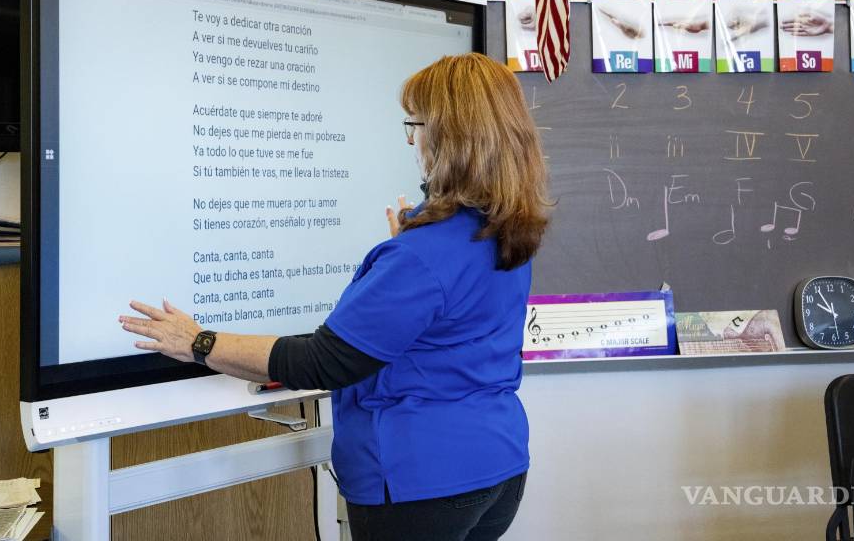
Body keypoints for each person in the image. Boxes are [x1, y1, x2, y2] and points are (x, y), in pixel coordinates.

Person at [119, 52, 552, 541]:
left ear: (447, 138)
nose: (413, 141)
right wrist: (411, 242)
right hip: (498, 467)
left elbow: (323, 361)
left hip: (423, 483)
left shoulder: (420, 258)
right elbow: (448, 321)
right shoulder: (505, 231)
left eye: (415, 125)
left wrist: (197, 341)